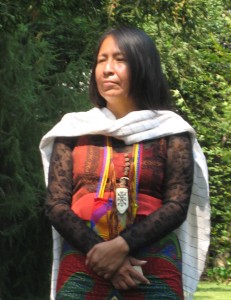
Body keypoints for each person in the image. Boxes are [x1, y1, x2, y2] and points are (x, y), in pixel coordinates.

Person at [39, 26, 210, 300]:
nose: (107, 69)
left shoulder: (170, 130)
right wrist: (105, 256)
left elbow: (177, 206)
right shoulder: (72, 129)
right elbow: (56, 205)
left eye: (120, 60)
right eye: (101, 60)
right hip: (83, 259)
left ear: (144, 66)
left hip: (152, 264)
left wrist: (121, 246)